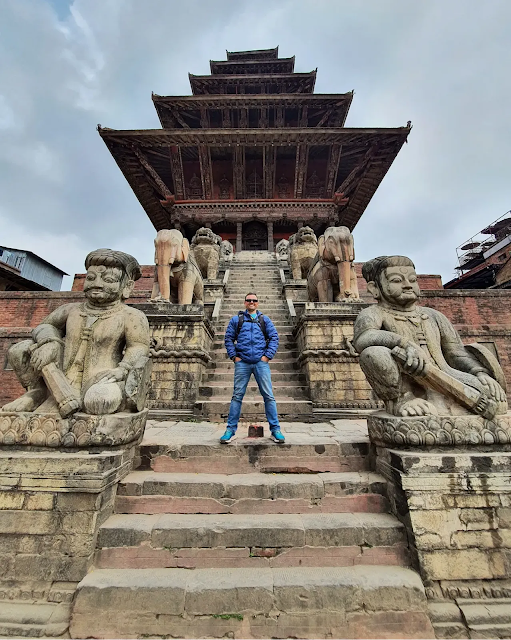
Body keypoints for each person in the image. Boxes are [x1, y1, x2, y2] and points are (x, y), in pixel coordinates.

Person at [353, 255, 506, 417]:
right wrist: (403, 343)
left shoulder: (434, 316)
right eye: (397, 281)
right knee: (373, 353)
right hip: (409, 381)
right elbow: (364, 338)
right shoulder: (374, 313)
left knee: (495, 399)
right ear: (374, 288)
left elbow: (456, 353)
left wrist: (479, 373)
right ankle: (401, 400)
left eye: (412, 280)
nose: (407, 285)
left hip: (447, 376)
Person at [2, 249, 151, 416]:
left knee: (98, 401)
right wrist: (50, 342)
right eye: (91, 278)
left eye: (108, 280)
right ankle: (37, 392)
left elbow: (138, 347)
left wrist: (122, 369)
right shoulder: (71, 310)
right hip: (60, 373)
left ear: (127, 286)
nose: (97, 284)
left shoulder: (131, 316)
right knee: (20, 349)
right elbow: (44, 326)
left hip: (102, 377)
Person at [220, 292, 285, 443]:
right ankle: (230, 430)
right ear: (244, 303)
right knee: (237, 396)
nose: (251, 302)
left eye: (254, 300)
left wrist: (267, 356)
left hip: (260, 362)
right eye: (248, 300)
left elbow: (274, 337)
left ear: (258, 303)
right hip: (242, 362)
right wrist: (234, 357)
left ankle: (275, 430)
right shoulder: (237, 320)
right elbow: (229, 338)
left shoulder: (264, 319)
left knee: (268, 396)